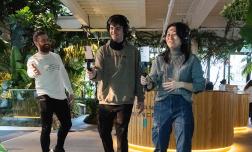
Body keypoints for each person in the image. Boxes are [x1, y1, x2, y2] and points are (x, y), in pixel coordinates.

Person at [140, 22, 205, 152]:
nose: (170, 37)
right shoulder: (159, 60)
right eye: (168, 34)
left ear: (183, 37)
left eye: (174, 34)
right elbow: (153, 82)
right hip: (162, 103)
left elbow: (200, 85)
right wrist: (147, 82)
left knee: (184, 145)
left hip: (183, 104)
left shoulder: (192, 60)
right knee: (159, 144)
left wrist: (180, 84)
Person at [87, 14, 145, 152]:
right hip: (105, 101)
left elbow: (138, 75)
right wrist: (94, 74)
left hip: (125, 101)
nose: (114, 31)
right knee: (103, 132)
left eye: (118, 28)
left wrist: (141, 98)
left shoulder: (133, 51)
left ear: (124, 30)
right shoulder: (102, 50)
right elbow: (98, 72)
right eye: (111, 28)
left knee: (122, 135)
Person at [27, 31, 74, 152]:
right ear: (36, 42)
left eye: (47, 40)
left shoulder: (56, 56)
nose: (46, 43)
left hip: (60, 95)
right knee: (46, 127)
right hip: (45, 95)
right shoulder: (33, 59)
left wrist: (70, 90)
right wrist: (34, 72)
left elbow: (63, 74)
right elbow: (30, 72)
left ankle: (59, 148)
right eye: (43, 40)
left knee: (67, 124)